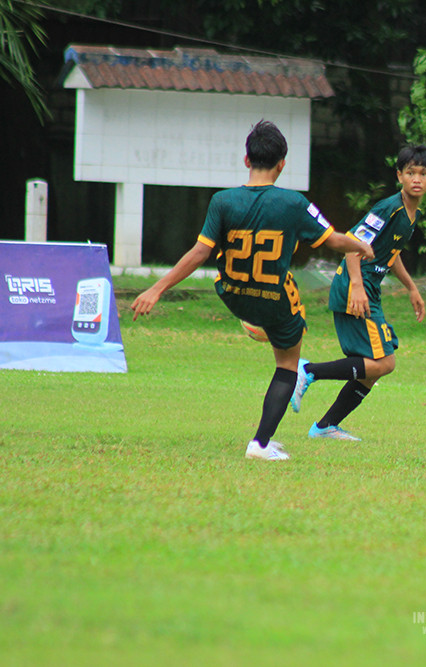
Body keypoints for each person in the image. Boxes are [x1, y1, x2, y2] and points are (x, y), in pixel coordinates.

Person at [130, 120, 374, 461]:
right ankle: (260, 444)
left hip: (232, 293)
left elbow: (200, 252)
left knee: (241, 288)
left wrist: (156, 289)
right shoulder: (294, 203)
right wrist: (360, 246)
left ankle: (253, 322)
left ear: (246, 160)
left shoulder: (222, 201)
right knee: (288, 365)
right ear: (282, 164)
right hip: (272, 298)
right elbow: (334, 240)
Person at [289, 145, 426, 440]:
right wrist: (357, 287)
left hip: (367, 289)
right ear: (400, 176)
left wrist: (411, 287)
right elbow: (352, 247)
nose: (416, 179)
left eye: (423, 173)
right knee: (384, 363)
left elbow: (389, 253)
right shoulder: (388, 208)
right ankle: (307, 371)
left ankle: (325, 427)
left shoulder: (411, 214)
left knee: (377, 367)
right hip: (355, 288)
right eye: (410, 173)